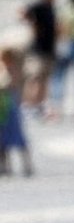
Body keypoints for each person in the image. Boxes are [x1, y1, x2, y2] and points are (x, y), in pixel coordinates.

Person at [0, 46, 33, 177]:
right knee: (2, 142)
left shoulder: (14, 72)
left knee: (18, 139)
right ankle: (5, 166)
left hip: (11, 112)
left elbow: (11, 85)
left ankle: (27, 166)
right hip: (3, 112)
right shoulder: (4, 70)